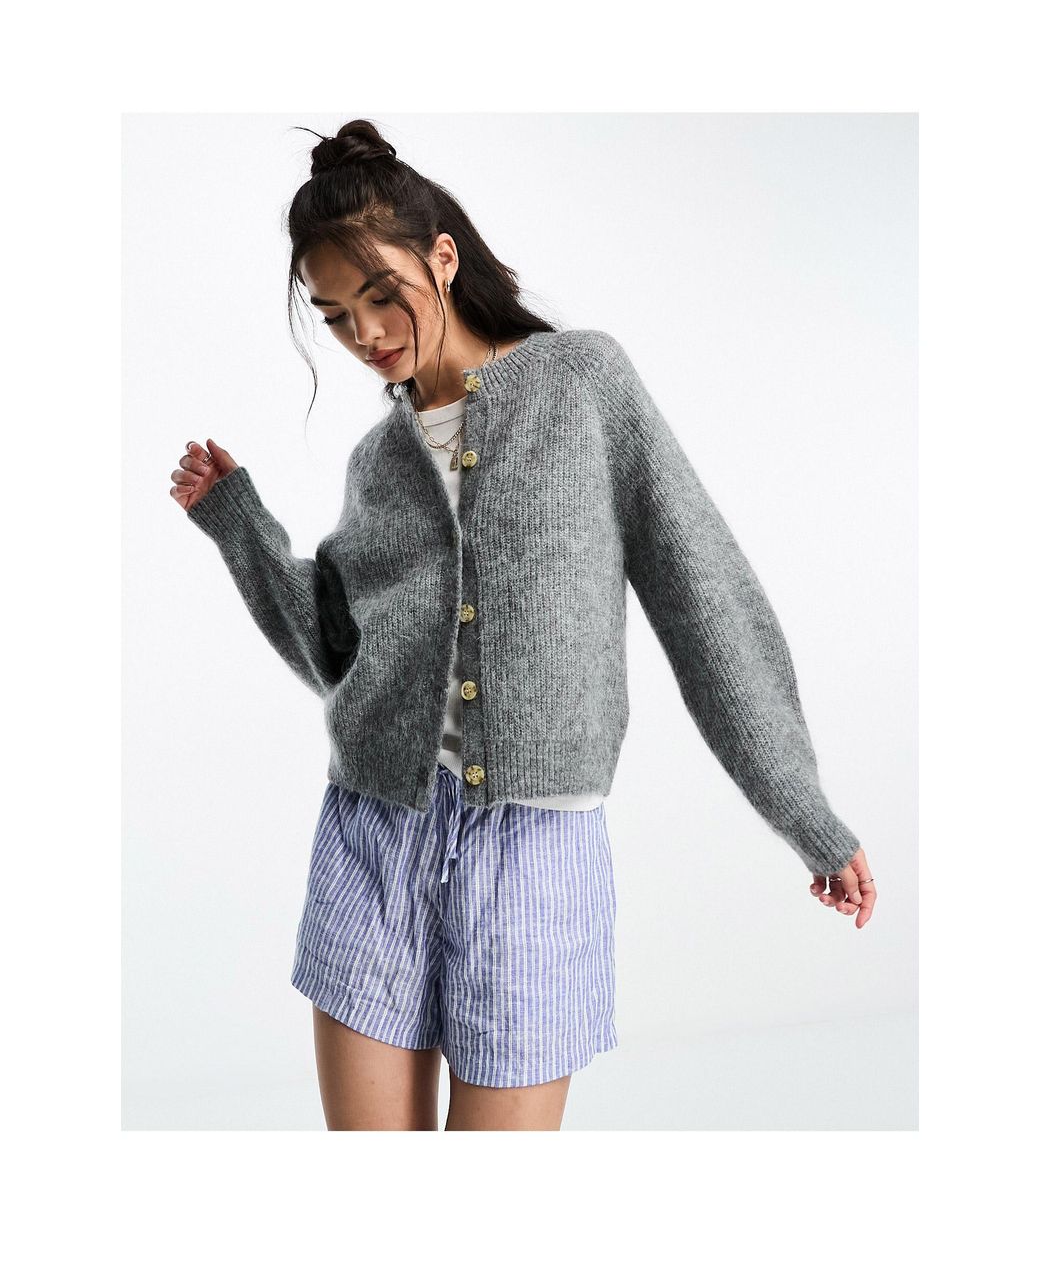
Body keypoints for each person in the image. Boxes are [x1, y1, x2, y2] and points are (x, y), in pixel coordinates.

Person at [170, 118, 876, 1132]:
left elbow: (704, 598)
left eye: (378, 294)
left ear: (441, 257)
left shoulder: (582, 384)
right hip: (373, 836)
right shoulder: (380, 462)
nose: (364, 334)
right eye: (333, 315)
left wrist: (803, 813)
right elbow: (337, 656)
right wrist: (239, 526)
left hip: (534, 852)